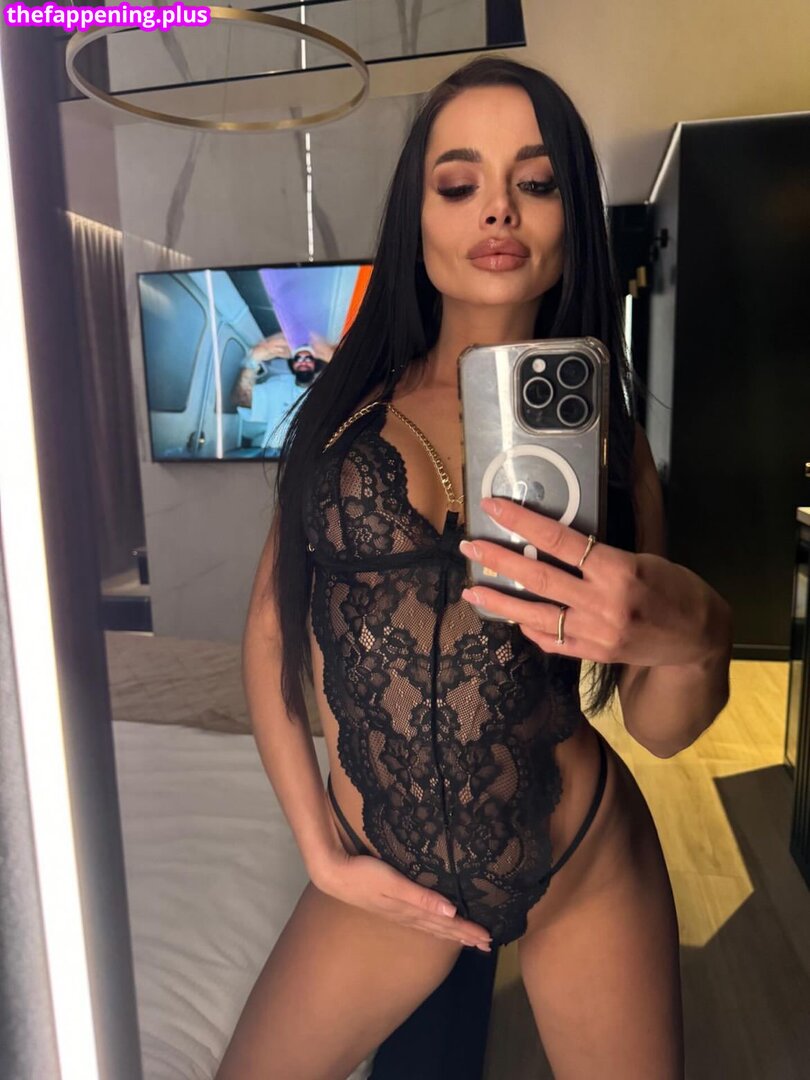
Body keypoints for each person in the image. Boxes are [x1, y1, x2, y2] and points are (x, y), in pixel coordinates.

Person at [218, 55, 733, 1079]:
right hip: (383, 873)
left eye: (534, 182)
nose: (497, 208)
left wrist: (699, 630)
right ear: (416, 219)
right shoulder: (341, 415)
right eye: (458, 185)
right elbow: (273, 630)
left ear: (571, 219)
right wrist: (319, 850)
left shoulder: (609, 440)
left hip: (583, 856)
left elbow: (660, 728)